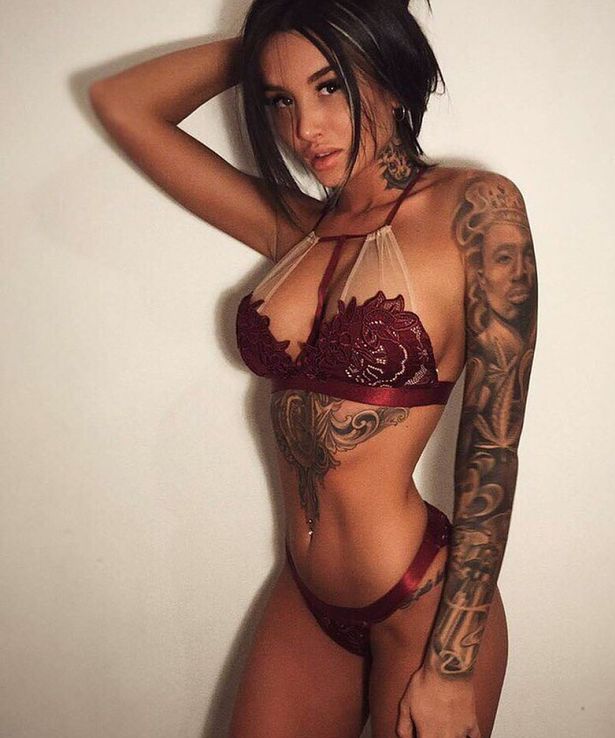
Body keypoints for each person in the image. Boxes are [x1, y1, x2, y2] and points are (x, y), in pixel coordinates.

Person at [88, 0, 538, 735]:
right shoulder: (300, 229)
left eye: (329, 86)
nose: (304, 129)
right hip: (304, 598)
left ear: (386, 70)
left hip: (423, 603)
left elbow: (492, 446)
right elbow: (123, 104)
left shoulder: (475, 209)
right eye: (281, 100)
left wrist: (452, 666)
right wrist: (270, 38)